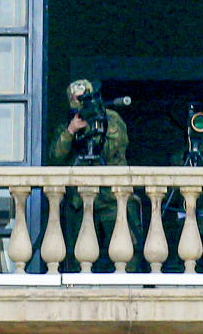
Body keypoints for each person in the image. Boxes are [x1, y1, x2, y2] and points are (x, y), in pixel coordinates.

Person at [49, 79, 142, 271]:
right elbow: (56, 156)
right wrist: (71, 130)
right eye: (75, 100)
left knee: (125, 250)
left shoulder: (111, 119)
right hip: (80, 200)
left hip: (112, 198)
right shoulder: (68, 125)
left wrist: (96, 124)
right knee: (79, 254)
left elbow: (113, 149)